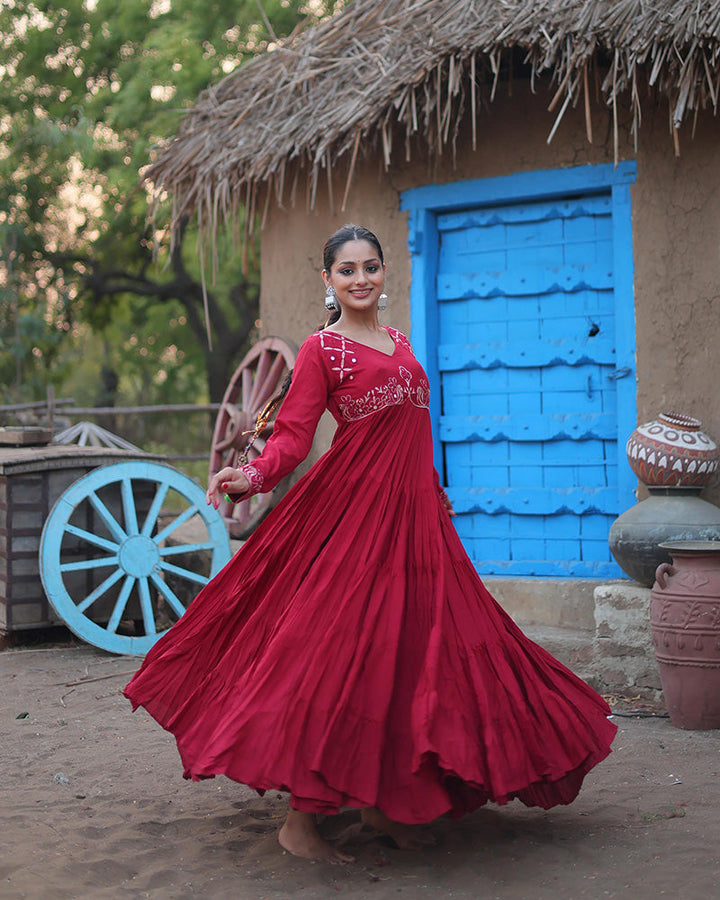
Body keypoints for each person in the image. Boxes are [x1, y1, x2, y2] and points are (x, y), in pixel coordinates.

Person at [125, 224, 616, 863]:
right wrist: (251, 475)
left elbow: (415, 431)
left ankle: (385, 805)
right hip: (355, 516)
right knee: (339, 649)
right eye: (348, 270)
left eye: (372, 268)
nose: (362, 280)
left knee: (410, 654)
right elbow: (295, 438)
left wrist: (434, 493)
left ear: (386, 274)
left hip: (414, 519)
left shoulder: (401, 342)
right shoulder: (321, 350)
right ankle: (300, 825)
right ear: (327, 280)